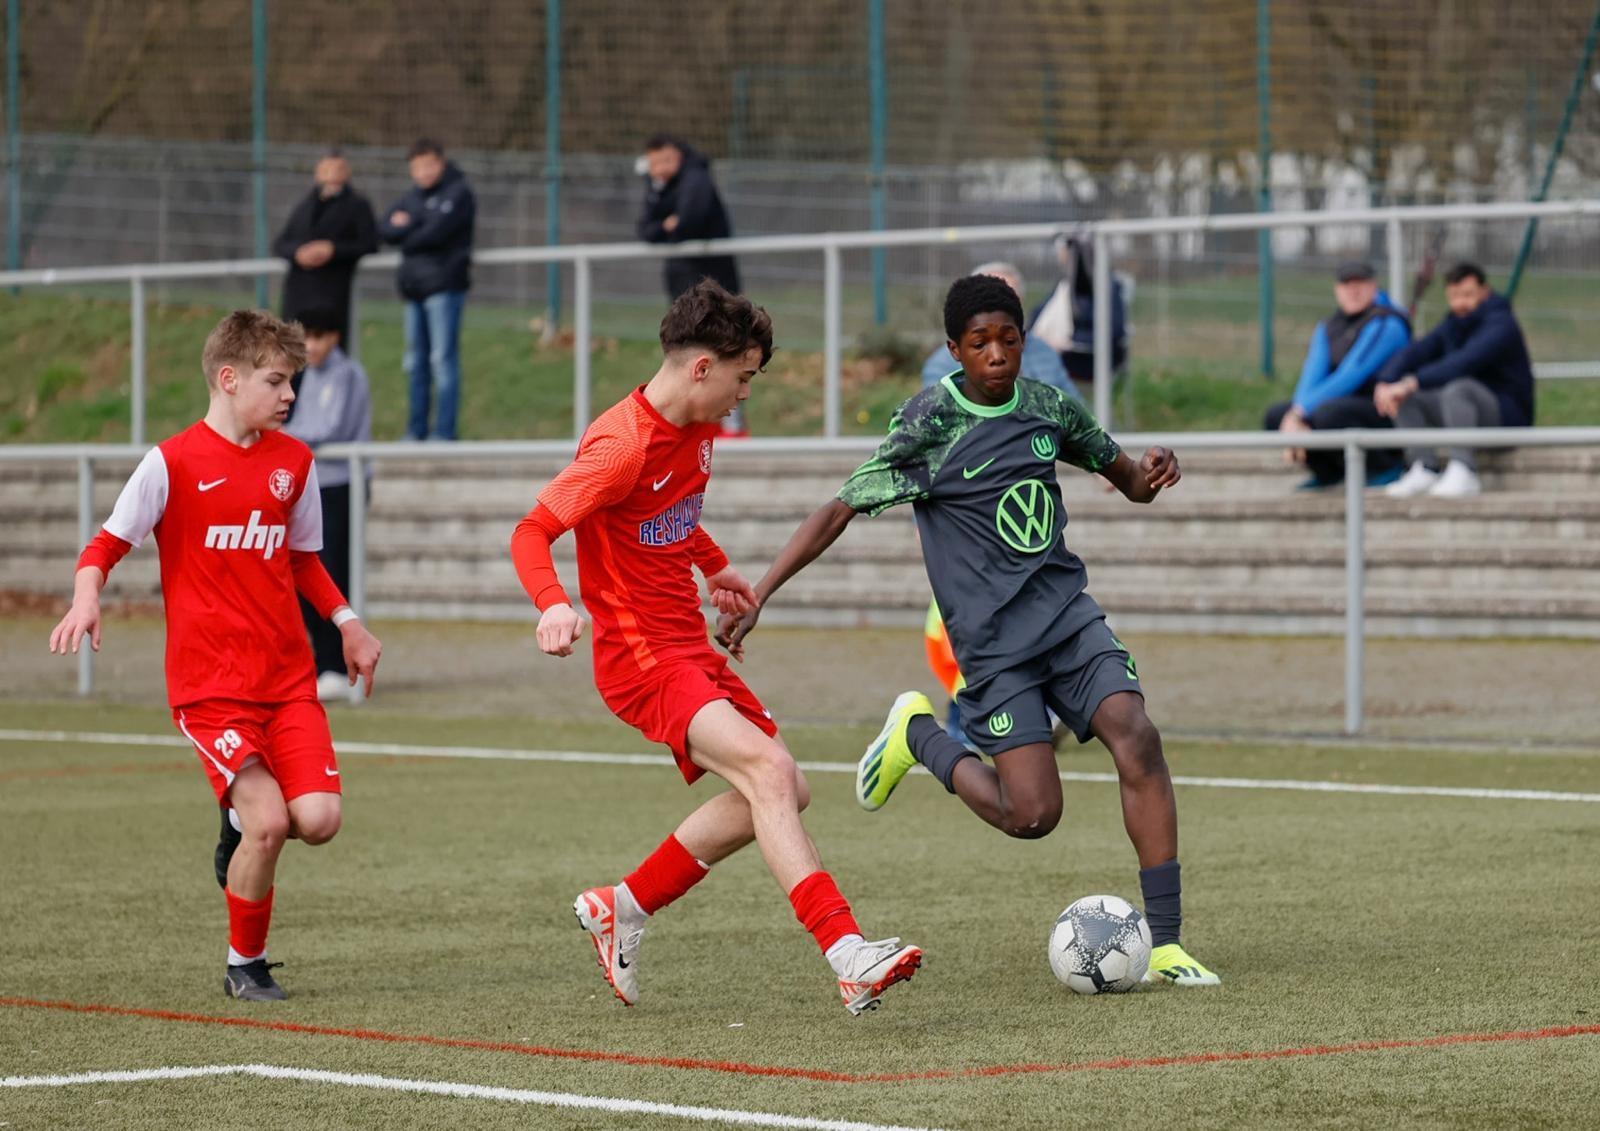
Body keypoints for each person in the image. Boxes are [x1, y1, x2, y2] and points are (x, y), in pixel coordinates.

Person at [719, 274, 1220, 988]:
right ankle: (918, 735)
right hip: (994, 647)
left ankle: (1165, 944)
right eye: (979, 342)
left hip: (1068, 618)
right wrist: (762, 592)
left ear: (1024, 341)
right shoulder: (929, 423)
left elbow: (1131, 481)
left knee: (1136, 735)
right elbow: (838, 509)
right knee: (1033, 815)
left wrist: (1154, 470)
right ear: (954, 349)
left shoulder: (1047, 407)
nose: (996, 354)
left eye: (1008, 339)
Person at [510, 280, 920, 1016]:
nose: (745, 394)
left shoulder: (697, 428)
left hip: (689, 649)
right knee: (769, 771)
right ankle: (847, 953)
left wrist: (715, 566)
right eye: (743, 377)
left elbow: (670, 506)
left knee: (785, 788)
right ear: (703, 367)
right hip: (642, 660)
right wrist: (553, 604)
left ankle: (623, 906)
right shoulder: (620, 445)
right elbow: (532, 530)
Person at [47, 310, 383, 1002]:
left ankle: (233, 822)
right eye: (275, 381)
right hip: (210, 687)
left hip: (286, 680)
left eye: (292, 381)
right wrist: (86, 598)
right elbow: (103, 546)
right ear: (229, 379)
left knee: (318, 820)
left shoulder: (295, 463)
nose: (289, 394)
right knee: (270, 822)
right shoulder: (170, 463)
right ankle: (244, 965)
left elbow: (304, 560)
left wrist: (348, 624)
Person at [1377, 263, 1534, 499]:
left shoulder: (1501, 324)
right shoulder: (1453, 323)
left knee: (1458, 389)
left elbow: (1464, 362)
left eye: (1468, 295)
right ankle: (1424, 467)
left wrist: (1410, 382)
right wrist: (1386, 381)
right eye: (1454, 296)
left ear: (1485, 291)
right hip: (1462, 413)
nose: (1461, 303)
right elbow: (1419, 350)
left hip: (1506, 416)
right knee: (1407, 399)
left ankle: (1464, 469)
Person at [284, 309, 373, 702]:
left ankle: (337, 666)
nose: (311, 347)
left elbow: (330, 428)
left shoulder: (348, 374)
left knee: (333, 573)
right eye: (306, 338)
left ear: (335, 337)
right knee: (302, 575)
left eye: (318, 338)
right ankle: (322, 663)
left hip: (341, 485)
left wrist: (282, 432)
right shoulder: (306, 376)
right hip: (313, 483)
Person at [637, 135, 749, 438]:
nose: (659, 169)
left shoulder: (696, 178)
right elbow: (645, 229)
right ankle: (700, 425)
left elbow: (690, 220)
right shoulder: (658, 187)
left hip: (714, 284)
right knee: (690, 354)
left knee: (723, 351)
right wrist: (666, 224)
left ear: (677, 155)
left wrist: (670, 226)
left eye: (664, 161)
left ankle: (732, 426)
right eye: (654, 164)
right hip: (683, 286)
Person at [1262, 262, 1411, 489]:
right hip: (1341, 405)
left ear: (1374, 286)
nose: (1353, 291)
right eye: (1346, 285)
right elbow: (1312, 374)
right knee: (1276, 416)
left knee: (1327, 413)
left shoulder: (1388, 323)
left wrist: (1301, 413)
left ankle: (1384, 466)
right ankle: (1329, 472)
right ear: (1337, 290)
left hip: (1383, 409)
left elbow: (1351, 375)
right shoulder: (1329, 326)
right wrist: (1296, 413)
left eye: (1359, 284)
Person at [380, 138, 476, 441]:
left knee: (442, 361)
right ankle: (416, 431)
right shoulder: (411, 196)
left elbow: (435, 233)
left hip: (444, 286)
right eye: (417, 167)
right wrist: (417, 224)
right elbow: (385, 229)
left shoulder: (458, 193)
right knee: (415, 363)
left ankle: (444, 433)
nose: (424, 172)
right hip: (414, 289)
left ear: (441, 163)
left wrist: (408, 226)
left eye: (429, 165)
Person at [921, 262, 1080, 399]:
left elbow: (1078, 409)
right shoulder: (941, 366)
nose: (997, 356)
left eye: (1009, 304)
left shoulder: (1045, 353)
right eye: (979, 345)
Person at [272, 149, 378, 349]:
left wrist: (333, 250)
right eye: (327, 169)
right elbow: (280, 243)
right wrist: (298, 253)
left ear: (348, 172)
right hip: (298, 292)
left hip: (332, 292)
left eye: (339, 169)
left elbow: (369, 243)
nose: (333, 174)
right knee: (293, 350)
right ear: (318, 173)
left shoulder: (357, 205)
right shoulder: (304, 205)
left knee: (327, 350)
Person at [1027, 233, 1129, 388]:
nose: (1061, 256)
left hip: (1089, 357)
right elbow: (1038, 315)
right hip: (1057, 350)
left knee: (1043, 363)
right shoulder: (1064, 285)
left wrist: (1072, 340)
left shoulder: (1107, 286)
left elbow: (1114, 330)